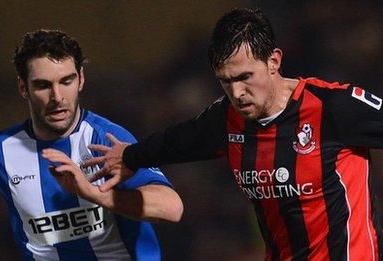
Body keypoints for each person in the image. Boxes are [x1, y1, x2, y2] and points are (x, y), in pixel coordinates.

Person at [83, 8, 383, 260]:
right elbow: (179, 142)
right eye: (225, 81)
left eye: (244, 77)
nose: (237, 93)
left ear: (274, 61)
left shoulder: (333, 107)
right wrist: (131, 156)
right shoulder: (226, 119)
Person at [0, 29, 183, 261]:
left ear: (81, 80)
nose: (57, 97)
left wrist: (93, 194)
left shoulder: (105, 139)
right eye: (43, 85)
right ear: (23, 87)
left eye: (66, 81)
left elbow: (171, 207)